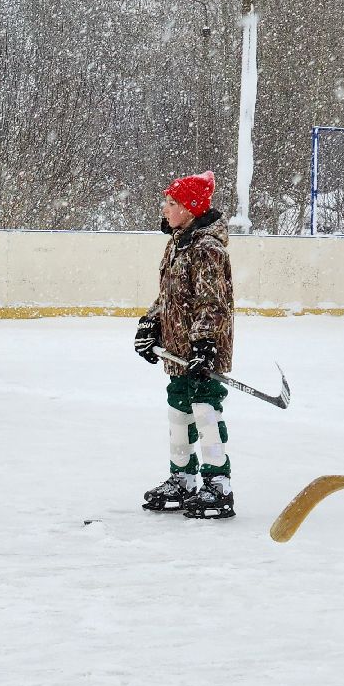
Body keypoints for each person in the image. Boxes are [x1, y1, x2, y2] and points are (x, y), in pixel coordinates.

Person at [134, 170, 236, 519]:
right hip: (178, 350)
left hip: (201, 349)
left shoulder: (207, 249)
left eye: (172, 203)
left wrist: (205, 344)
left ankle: (218, 484)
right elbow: (170, 297)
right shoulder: (178, 242)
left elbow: (212, 303)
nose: (165, 208)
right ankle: (183, 478)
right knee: (178, 411)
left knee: (205, 411)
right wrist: (151, 323)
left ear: (190, 209)